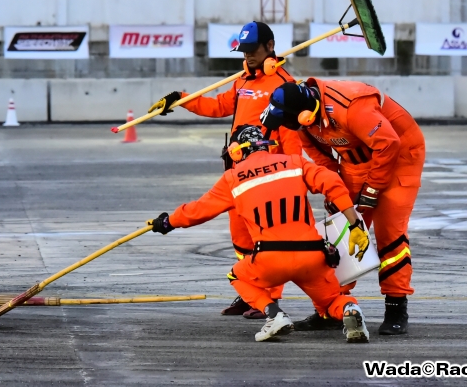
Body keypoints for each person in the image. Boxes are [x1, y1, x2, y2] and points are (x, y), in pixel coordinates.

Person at [149, 125, 371, 343]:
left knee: (236, 275)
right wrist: (354, 225)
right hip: (312, 256)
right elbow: (332, 181)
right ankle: (349, 309)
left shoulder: (233, 178)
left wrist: (168, 222)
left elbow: (198, 211)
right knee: (331, 300)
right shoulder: (294, 162)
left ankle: (275, 315)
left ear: (237, 150)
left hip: (270, 259)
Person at [148, 21, 303, 319]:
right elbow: (218, 106)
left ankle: (270, 299)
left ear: (270, 47)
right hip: (238, 172)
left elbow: (293, 138)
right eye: (243, 52)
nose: (248, 57)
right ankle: (250, 293)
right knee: (242, 239)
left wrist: (293, 174)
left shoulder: (285, 87)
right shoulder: (242, 81)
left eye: (253, 50)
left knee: (267, 239)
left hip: (268, 176)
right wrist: (182, 99)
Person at [261, 79, 425, 336]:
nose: (283, 127)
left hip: (399, 157)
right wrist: (333, 188)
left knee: (389, 234)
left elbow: (388, 144)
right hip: (355, 161)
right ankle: (332, 307)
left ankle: (396, 308)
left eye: (284, 120)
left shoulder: (352, 106)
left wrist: (371, 191)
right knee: (339, 233)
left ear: (304, 114)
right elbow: (321, 157)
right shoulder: (304, 122)